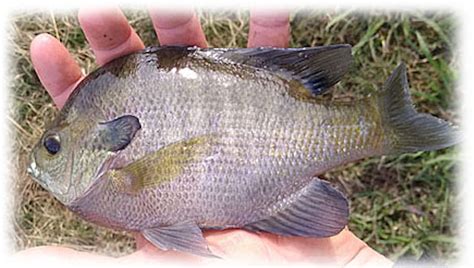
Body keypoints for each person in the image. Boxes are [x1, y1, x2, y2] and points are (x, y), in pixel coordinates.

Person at [17, 7, 393, 266]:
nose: (43, 160)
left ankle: (382, 125)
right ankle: (384, 125)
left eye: (54, 147)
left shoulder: (114, 179)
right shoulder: (106, 177)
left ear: (102, 140)